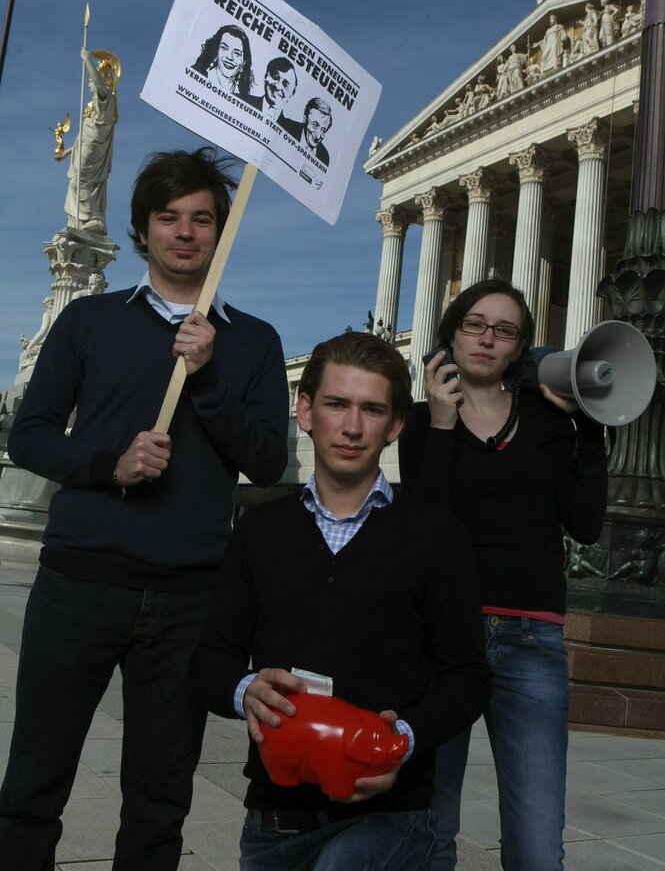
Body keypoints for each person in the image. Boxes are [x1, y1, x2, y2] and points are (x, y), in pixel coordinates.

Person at [0, 147, 289, 870]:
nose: (184, 232)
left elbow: (267, 460)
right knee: (36, 779)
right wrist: (109, 465)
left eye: (201, 219)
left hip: (189, 597)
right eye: (169, 218)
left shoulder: (250, 341)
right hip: (79, 583)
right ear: (143, 230)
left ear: (220, 232)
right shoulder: (88, 322)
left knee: (160, 798)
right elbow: (30, 433)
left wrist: (208, 373)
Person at [191, 331, 491, 871]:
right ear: (305, 411)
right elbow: (210, 659)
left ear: (396, 425)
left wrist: (402, 738)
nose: (352, 427)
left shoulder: (437, 536)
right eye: (336, 404)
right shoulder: (258, 532)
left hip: (390, 816)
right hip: (273, 821)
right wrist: (246, 691)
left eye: (372, 410)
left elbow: (468, 675)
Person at [399, 279, 608, 871]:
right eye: (474, 324)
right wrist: (442, 425)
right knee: (429, 827)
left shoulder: (548, 420)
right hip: (441, 639)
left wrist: (588, 426)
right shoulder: (419, 422)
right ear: (452, 334)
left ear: (519, 348)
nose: (487, 338)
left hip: (530, 638)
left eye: (505, 330)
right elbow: (422, 530)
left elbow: (586, 525)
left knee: (538, 843)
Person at [61, 48, 120, 234]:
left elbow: (100, 86)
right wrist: (68, 152)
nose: (89, 86)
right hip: (85, 147)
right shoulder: (93, 107)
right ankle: (79, 221)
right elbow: (82, 137)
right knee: (76, 182)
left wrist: (87, 60)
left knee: (82, 180)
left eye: (91, 82)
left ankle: (94, 218)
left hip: (95, 149)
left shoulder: (106, 101)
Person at [191, 23, 255, 100]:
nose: (230, 57)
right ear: (216, 50)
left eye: (237, 53)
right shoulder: (195, 73)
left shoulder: (244, 96)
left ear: (244, 61)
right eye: (224, 48)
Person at [281, 97, 333, 165]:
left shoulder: (324, 157)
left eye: (323, 131)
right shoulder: (286, 128)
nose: (318, 136)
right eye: (315, 125)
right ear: (305, 118)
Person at [245, 56, 298, 122]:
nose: (278, 86)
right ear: (265, 77)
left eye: (285, 84)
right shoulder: (242, 100)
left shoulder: (293, 130)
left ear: (291, 94)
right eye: (275, 77)